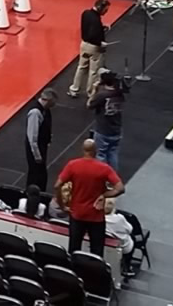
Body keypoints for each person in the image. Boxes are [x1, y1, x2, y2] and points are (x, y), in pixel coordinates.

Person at [57, 138, 124, 255]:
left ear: (83, 150)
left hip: (77, 214)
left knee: (73, 249)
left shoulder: (73, 165)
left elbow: (57, 185)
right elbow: (120, 188)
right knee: (97, 252)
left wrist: (62, 205)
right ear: (96, 151)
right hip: (96, 216)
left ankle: (73, 271)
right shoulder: (104, 168)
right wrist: (104, 194)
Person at [21, 89, 56, 218]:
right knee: (35, 174)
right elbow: (32, 137)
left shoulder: (45, 110)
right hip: (35, 149)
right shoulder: (35, 112)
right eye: (53, 102)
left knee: (41, 175)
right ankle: (32, 201)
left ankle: (37, 199)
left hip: (41, 147)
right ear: (47, 100)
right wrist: (37, 155)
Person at [71, 0, 110, 96]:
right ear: (100, 8)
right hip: (94, 48)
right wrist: (100, 43)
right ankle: (91, 92)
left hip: (84, 45)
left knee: (81, 67)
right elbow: (92, 34)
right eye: (106, 10)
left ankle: (74, 89)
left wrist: (102, 27)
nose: (106, 12)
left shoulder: (86, 13)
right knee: (93, 71)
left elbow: (89, 29)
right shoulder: (96, 20)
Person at [88, 69, 125, 168]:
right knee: (113, 153)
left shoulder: (102, 95)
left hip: (103, 130)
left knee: (101, 154)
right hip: (116, 129)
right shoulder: (119, 93)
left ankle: (102, 177)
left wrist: (94, 90)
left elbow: (89, 105)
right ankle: (112, 176)